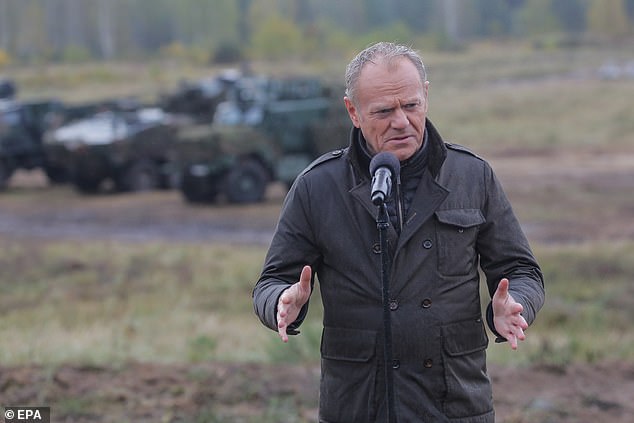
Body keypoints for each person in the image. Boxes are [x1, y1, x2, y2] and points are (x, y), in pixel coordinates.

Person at [252, 42, 545, 423]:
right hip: (358, 407)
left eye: (411, 105)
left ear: (426, 94)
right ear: (353, 112)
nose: (402, 121)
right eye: (384, 111)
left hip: (454, 404)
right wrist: (280, 302)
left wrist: (514, 304)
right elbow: (271, 281)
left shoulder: (472, 176)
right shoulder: (316, 187)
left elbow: (522, 271)